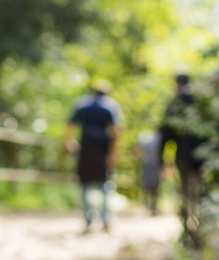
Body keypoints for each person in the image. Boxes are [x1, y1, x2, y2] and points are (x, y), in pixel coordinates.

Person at [65, 80, 122, 232]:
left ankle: (88, 220)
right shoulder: (111, 106)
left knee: (84, 184)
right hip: (102, 150)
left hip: (85, 149)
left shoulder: (82, 103)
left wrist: (69, 142)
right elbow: (116, 130)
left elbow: (69, 124)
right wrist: (113, 152)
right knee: (104, 184)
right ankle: (105, 219)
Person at [159, 73, 210, 246]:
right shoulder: (201, 101)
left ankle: (188, 232)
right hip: (203, 156)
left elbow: (165, 133)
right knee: (202, 194)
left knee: (185, 194)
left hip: (183, 156)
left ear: (175, 83)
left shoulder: (175, 103)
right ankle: (202, 230)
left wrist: (161, 161)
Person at [136, 129, 161, 216]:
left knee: (147, 187)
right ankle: (152, 208)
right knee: (154, 188)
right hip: (154, 165)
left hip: (147, 165)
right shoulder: (158, 140)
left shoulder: (145, 139)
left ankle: (148, 207)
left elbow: (140, 152)